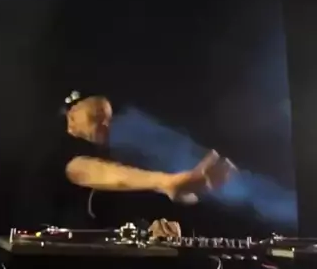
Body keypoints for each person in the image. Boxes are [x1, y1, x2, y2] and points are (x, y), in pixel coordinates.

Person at [47, 91, 235, 233]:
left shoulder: (117, 157)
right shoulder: (61, 147)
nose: (105, 124)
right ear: (72, 114)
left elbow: (129, 205)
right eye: (96, 116)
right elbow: (85, 170)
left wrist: (150, 230)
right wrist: (166, 182)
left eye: (107, 118)